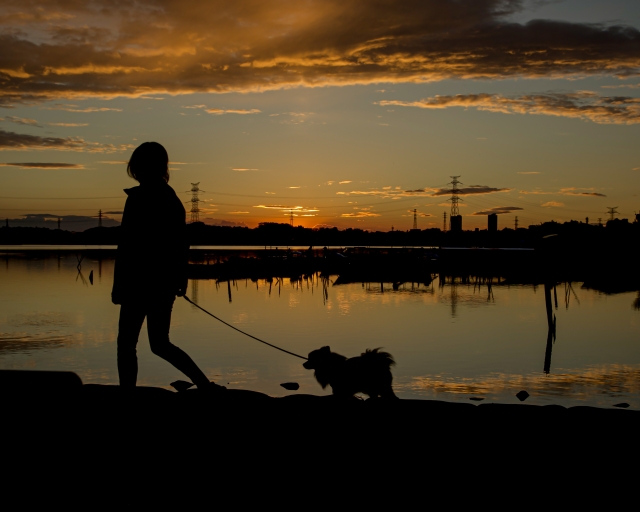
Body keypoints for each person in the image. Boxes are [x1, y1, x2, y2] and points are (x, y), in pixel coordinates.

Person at [112, 142, 222, 391]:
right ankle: (204, 385)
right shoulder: (170, 199)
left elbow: (127, 246)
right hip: (161, 284)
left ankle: (127, 392)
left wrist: (120, 285)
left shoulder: (141, 198)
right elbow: (180, 245)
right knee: (159, 343)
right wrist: (179, 279)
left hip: (139, 283)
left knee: (128, 344)